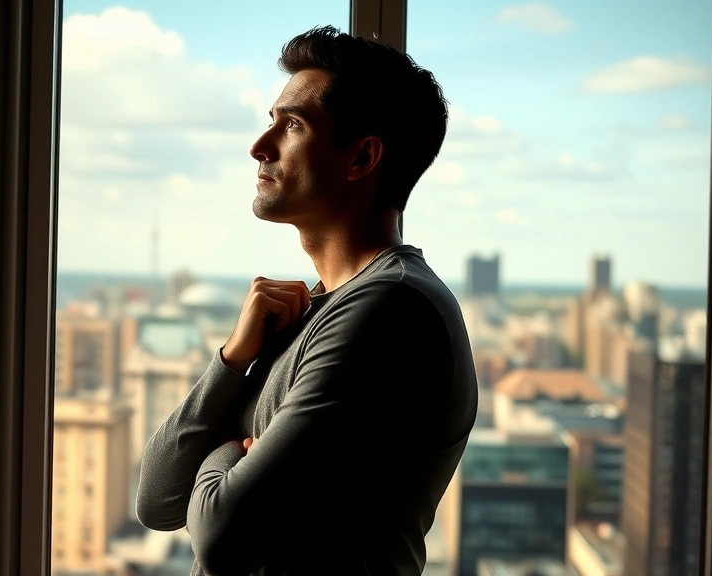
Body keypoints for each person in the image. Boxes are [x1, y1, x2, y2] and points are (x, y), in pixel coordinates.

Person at [135, 25, 478, 576]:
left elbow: (223, 536)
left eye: (291, 124)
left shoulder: (389, 310)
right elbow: (156, 502)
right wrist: (231, 361)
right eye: (271, 122)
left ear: (362, 157)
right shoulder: (312, 309)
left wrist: (221, 452)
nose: (259, 146)